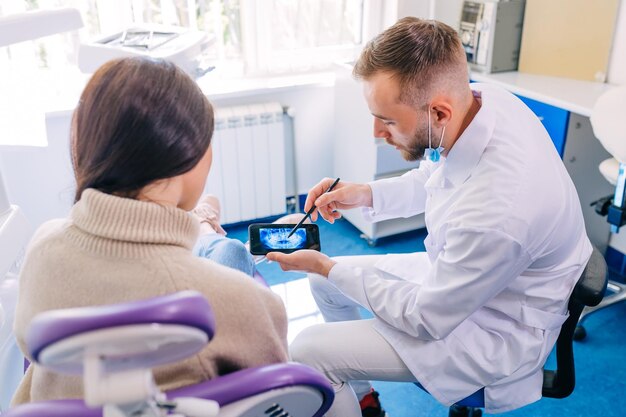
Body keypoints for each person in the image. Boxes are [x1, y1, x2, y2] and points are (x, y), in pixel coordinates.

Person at [267, 17, 592, 417]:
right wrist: (365, 194)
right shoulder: (481, 102)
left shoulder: (498, 212)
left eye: (387, 120)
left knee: (308, 350)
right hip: (467, 277)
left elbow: (425, 318)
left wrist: (328, 265)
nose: (376, 132)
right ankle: (365, 401)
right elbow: (436, 175)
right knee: (324, 282)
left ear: (438, 112)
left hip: (492, 329)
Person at [11, 57, 288, 405]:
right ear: (190, 153)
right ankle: (204, 228)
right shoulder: (237, 300)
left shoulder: (42, 248)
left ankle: (203, 228)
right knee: (230, 252)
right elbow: (279, 392)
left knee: (219, 251)